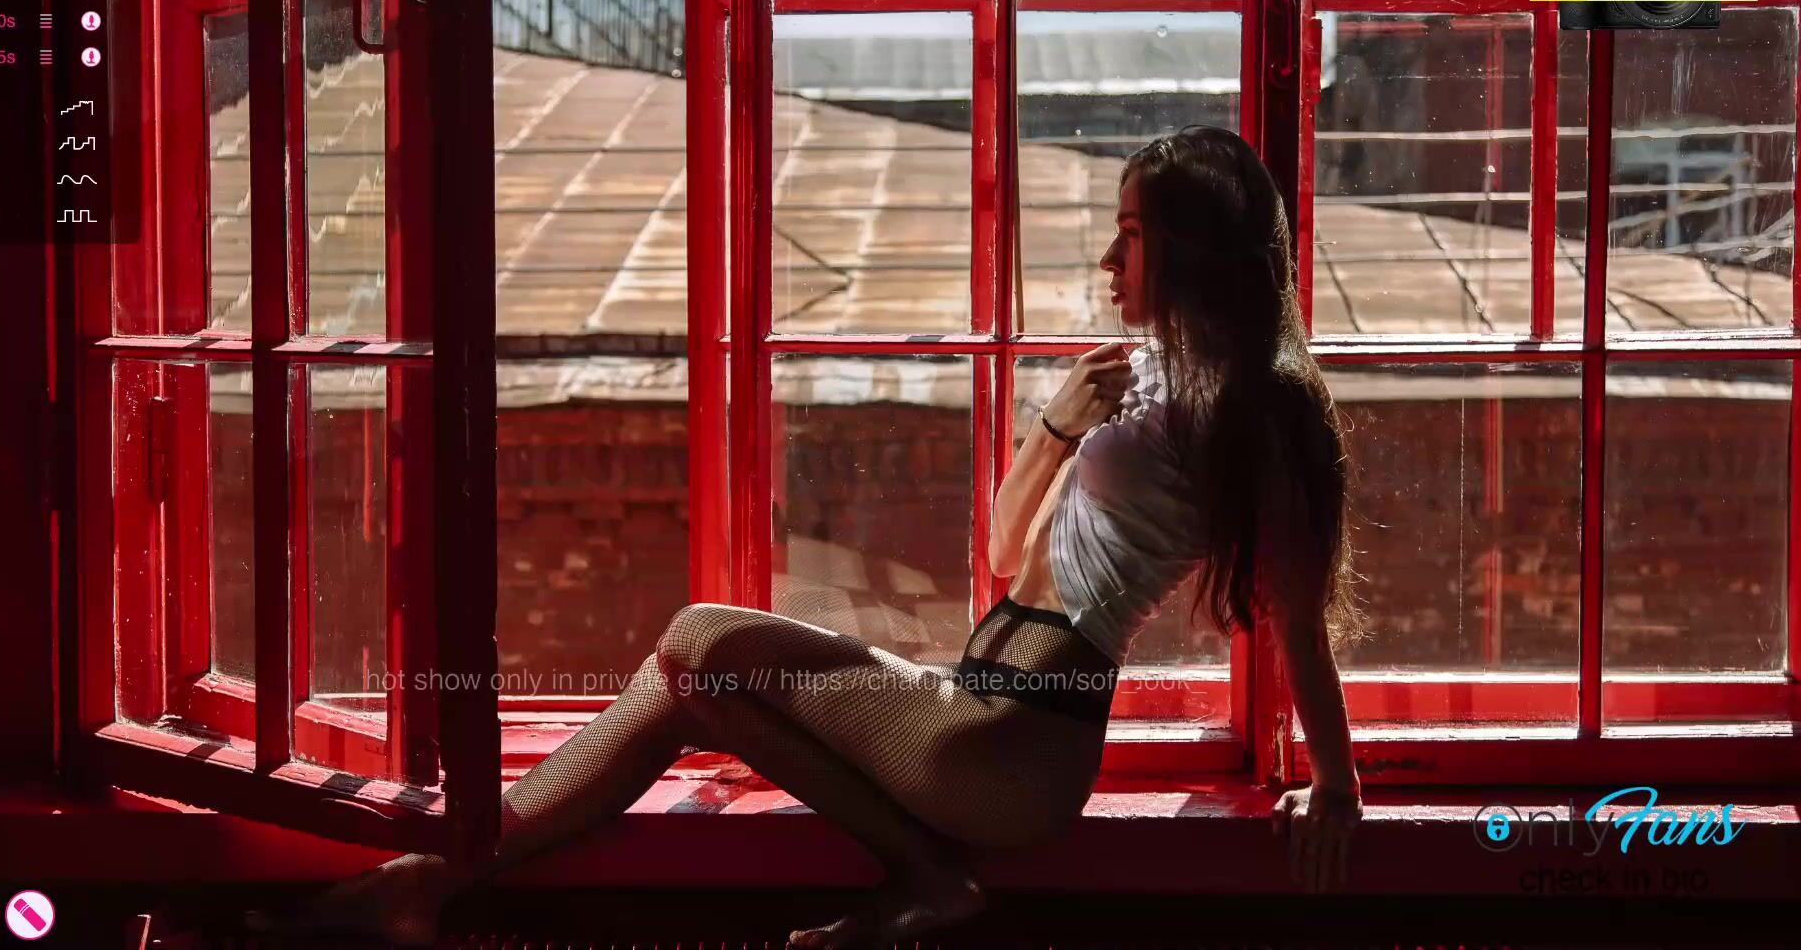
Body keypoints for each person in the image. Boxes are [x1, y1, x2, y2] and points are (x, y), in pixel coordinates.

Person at [244, 124, 1370, 948]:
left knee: (698, 634)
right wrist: (1053, 428)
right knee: (697, 686)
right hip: (980, 705)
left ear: (1190, 249)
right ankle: (430, 884)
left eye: (1130, 237)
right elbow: (1001, 551)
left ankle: (428, 882)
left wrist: (1338, 784)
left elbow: (1301, 620)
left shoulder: (1255, 412)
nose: (1110, 265)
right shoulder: (1134, 376)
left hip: (1017, 739)